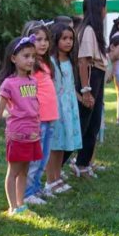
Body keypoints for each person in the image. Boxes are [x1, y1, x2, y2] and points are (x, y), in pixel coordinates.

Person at [0, 37, 41, 215]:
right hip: (18, 134)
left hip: (33, 134)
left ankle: (20, 204)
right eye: (26, 56)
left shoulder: (33, 82)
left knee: (25, 170)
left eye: (33, 56)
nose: (31, 60)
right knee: (14, 171)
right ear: (13, 58)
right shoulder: (9, 83)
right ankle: (12, 207)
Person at [44, 23, 83, 195]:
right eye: (64, 38)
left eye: (71, 39)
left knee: (63, 144)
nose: (68, 42)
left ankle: (57, 176)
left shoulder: (69, 60)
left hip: (69, 107)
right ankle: (50, 179)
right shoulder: (51, 62)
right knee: (54, 144)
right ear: (56, 40)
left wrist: (79, 97)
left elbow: (70, 85)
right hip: (56, 107)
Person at [22, 22, 58, 204]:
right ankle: (27, 193)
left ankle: (36, 188)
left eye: (45, 40)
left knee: (44, 158)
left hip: (50, 117)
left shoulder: (46, 62)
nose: (43, 44)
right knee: (35, 159)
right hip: (38, 118)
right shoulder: (30, 64)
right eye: (38, 40)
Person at [74, 0, 108, 177]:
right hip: (91, 77)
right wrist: (86, 91)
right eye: (104, 7)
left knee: (93, 124)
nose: (106, 11)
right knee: (83, 123)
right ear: (98, 8)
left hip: (98, 75)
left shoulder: (95, 31)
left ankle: (83, 163)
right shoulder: (87, 30)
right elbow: (83, 62)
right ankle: (59, 165)